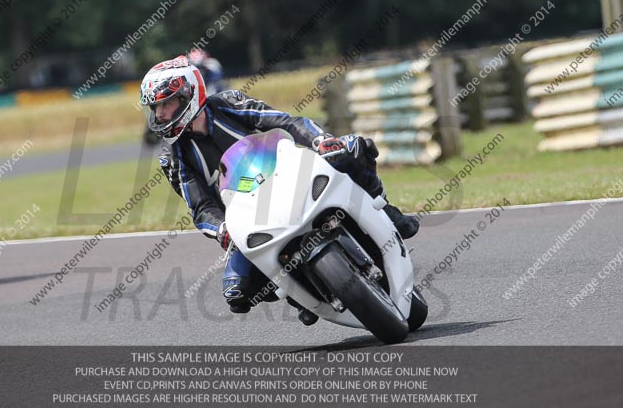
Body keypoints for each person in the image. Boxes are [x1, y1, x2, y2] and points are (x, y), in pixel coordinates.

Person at [140, 55, 418, 314]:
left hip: (287, 175)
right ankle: (301, 294)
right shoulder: (172, 157)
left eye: (168, 103)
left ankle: (386, 210)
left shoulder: (227, 103)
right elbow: (201, 208)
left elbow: (286, 121)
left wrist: (320, 140)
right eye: (157, 107)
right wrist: (222, 229)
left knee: (353, 149)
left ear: (190, 94)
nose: (161, 114)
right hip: (247, 215)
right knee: (237, 293)